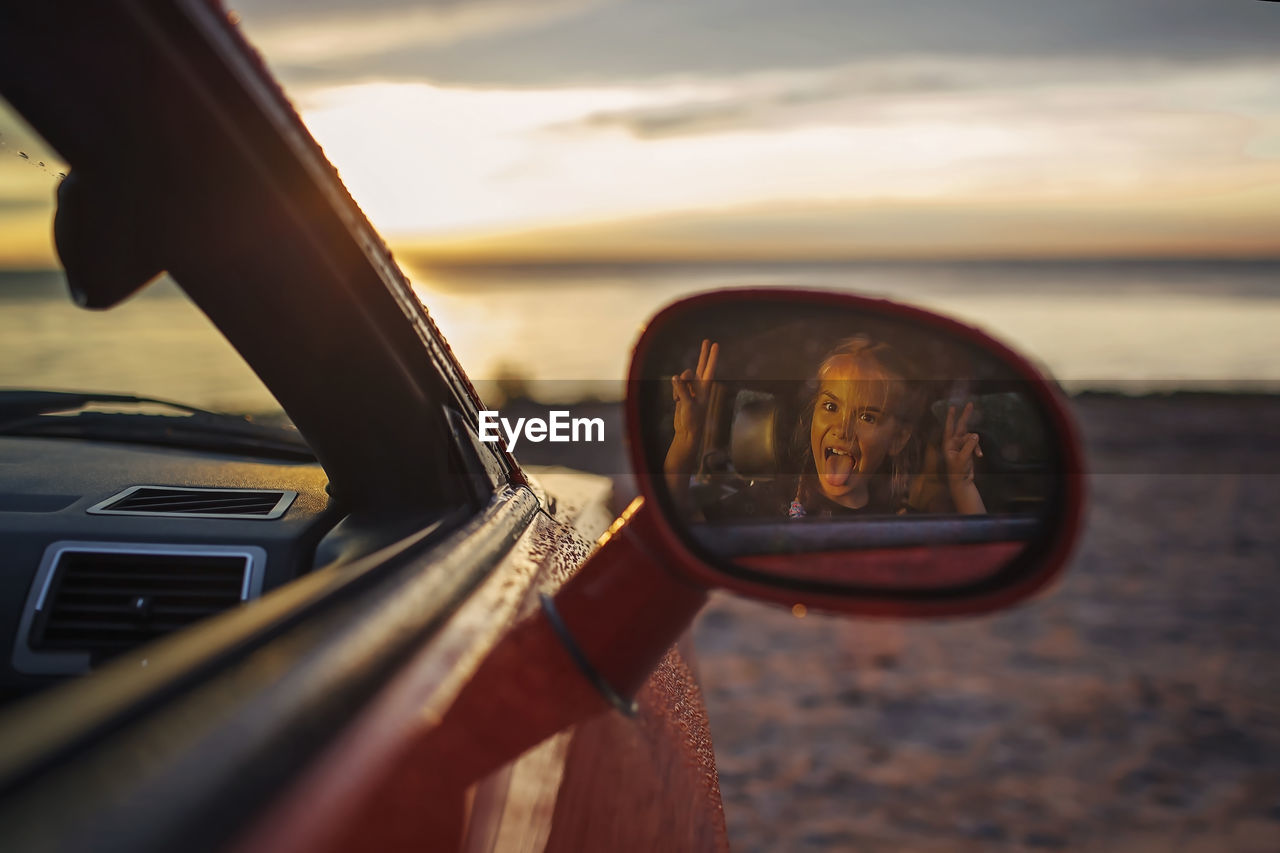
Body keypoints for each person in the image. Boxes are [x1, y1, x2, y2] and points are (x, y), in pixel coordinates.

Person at [665, 336, 986, 518]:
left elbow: (979, 557)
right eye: (831, 407)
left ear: (898, 439)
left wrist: (962, 485)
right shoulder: (765, 504)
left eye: (867, 417)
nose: (843, 429)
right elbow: (673, 523)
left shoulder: (898, 521)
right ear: (813, 415)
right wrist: (686, 439)